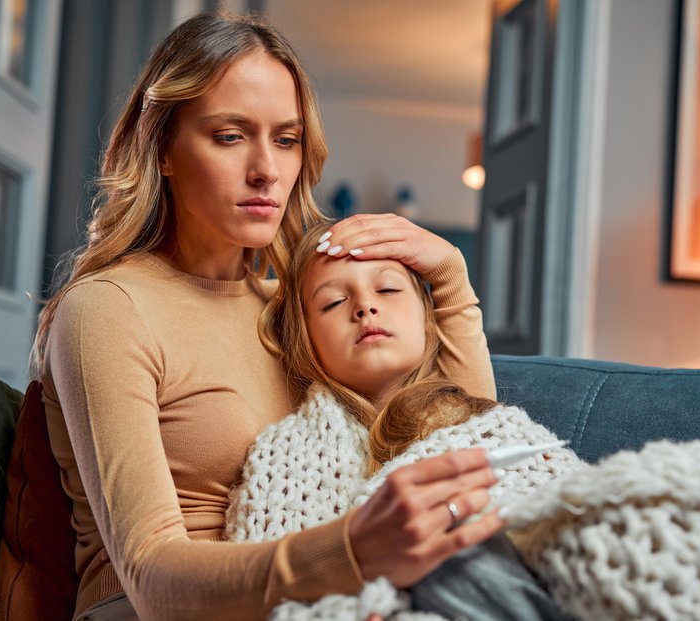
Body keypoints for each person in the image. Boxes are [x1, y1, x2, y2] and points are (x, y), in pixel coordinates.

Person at [33, 12, 501, 621]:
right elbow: (149, 574)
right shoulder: (108, 308)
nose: (268, 170)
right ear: (163, 149)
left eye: (286, 139)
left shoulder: (302, 307)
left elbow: (467, 442)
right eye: (230, 136)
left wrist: (451, 279)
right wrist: (355, 551)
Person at [226, 220, 579, 620]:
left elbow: (572, 513)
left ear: (429, 322)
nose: (364, 306)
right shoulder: (282, 461)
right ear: (306, 341)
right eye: (333, 303)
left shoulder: (488, 426)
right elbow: (265, 585)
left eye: (388, 289)